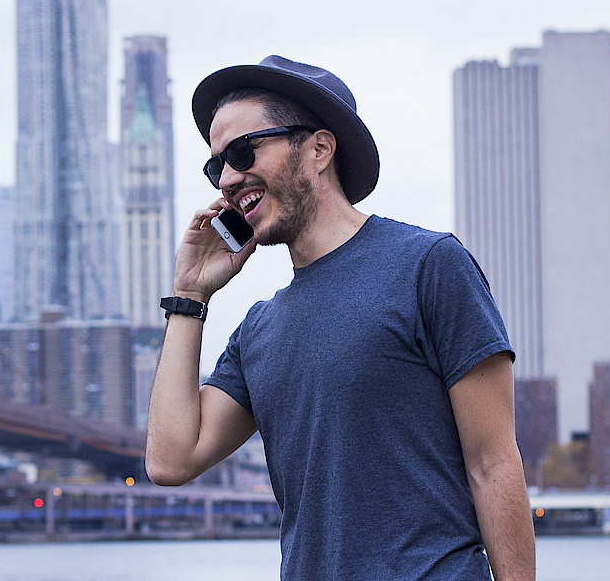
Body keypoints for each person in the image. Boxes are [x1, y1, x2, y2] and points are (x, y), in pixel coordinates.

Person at [145, 56, 535, 580]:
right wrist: (188, 296)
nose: (230, 179)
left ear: (319, 149)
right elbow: (171, 460)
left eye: (243, 151)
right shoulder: (261, 329)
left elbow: (494, 464)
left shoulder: (428, 265)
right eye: (218, 167)